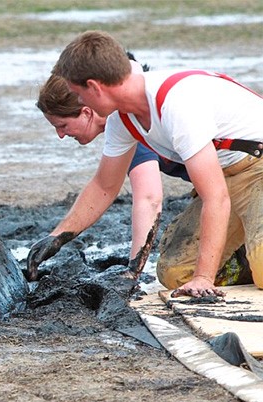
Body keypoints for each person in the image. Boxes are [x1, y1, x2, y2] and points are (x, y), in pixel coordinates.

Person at [29, 30, 263, 298]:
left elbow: (216, 198)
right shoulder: (122, 120)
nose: (80, 103)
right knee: (175, 274)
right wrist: (58, 237)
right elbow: (104, 186)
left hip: (257, 169)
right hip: (227, 178)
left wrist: (203, 278)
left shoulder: (177, 106)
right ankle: (248, 252)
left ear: (94, 87)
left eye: (78, 94)